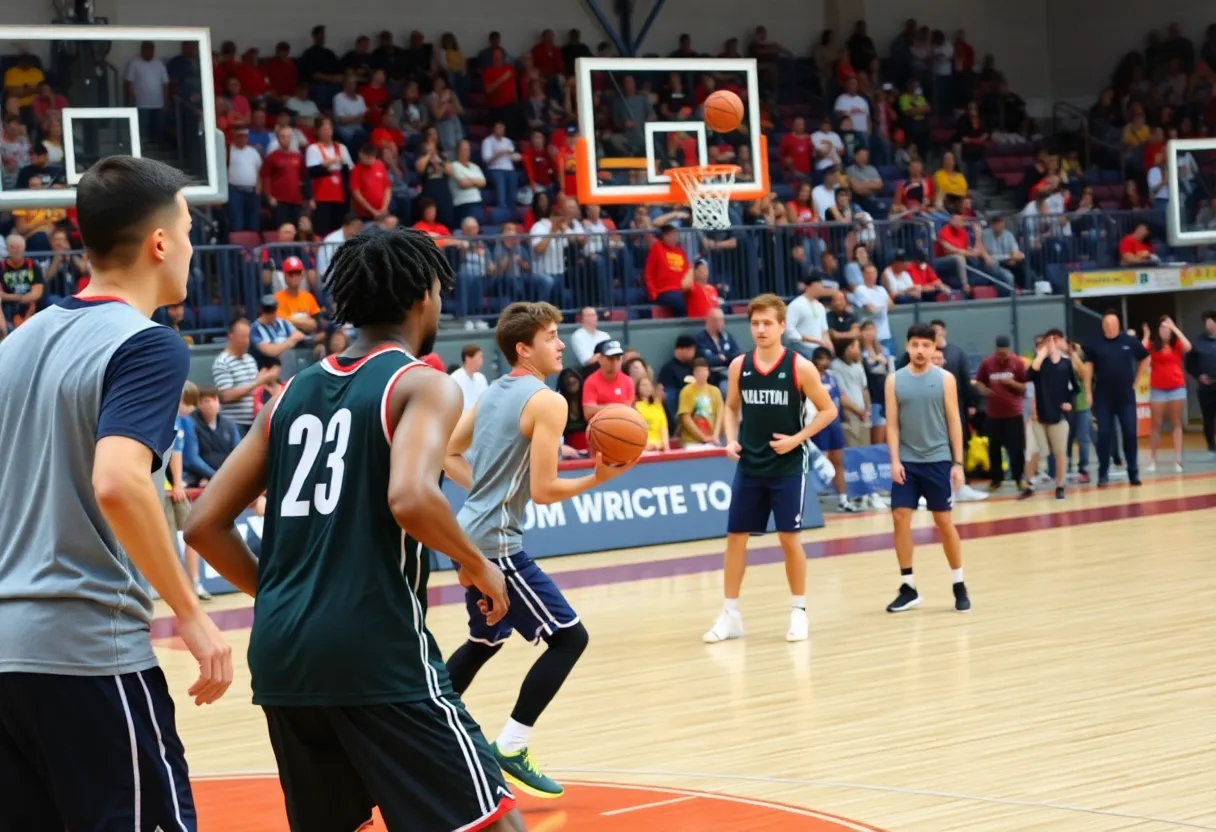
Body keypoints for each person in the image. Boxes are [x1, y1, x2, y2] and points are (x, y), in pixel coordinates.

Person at [183, 227, 525, 832]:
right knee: (489, 822)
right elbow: (412, 497)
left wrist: (286, 597)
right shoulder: (422, 383)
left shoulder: (289, 394)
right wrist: (478, 563)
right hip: (375, 651)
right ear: (423, 296)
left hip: (285, 655)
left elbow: (204, 523)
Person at [0, 156, 231, 830]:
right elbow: (119, 479)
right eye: (187, 228)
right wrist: (189, 612)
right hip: (88, 653)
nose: (190, 245)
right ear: (160, 242)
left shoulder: (19, 342)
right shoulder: (149, 345)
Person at [442, 301, 635, 799]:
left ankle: (429, 729)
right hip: (498, 546)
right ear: (523, 348)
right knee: (570, 639)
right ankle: (512, 745)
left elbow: (448, 452)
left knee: (486, 641)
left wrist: (482, 493)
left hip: (468, 535)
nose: (562, 344)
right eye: (552, 336)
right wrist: (597, 477)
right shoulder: (547, 401)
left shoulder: (490, 393)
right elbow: (546, 489)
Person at [703, 294, 838, 645]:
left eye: (767, 323)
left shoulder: (800, 367)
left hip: (788, 465)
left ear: (781, 326)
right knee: (735, 538)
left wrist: (797, 439)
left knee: (789, 539)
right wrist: (731, 440)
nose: (760, 329)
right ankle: (730, 614)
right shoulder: (739, 366)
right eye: (755, 323)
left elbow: (828, 411)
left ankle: (799, 611)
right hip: (751, 465)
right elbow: (731, 409)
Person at [885, 323, 971, 613]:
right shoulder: (894, 381)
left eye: (926, 345)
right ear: (908, 347)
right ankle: (908, 586)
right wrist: (894, 460)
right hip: (907, 461)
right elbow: (893, 424)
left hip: (937, 461)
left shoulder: (945, 379)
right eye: (915, 345)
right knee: (899, 517)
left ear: (935, 348)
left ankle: (958, 583)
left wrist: (958, 463)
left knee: (944, 523)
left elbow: (954, 421)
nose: (920, 350)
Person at [1085, 310, 1149, 487]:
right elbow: (1088, 369)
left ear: (1118, 325)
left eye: (1113, 324)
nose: (1110, 327)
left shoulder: (1129, 341)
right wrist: (1088, 392)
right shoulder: (1094, 344)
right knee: (1104, 435)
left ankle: (1133, 472)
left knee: (1129, 433)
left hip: (1125, 397)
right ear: (1103, 326)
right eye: (1107, 324)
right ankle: (1103, 472)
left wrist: (1137, 379)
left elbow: (1145, 358)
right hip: (1103, 397)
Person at [1026, 329, 1078, 499]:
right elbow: (1029, 374)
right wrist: (1040, 355)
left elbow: (1074, 388)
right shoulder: (1039, 364)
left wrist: (1069, 402)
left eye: (1052, 341)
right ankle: (1030, 483)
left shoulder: (1065, 364)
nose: (1049, 344)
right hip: (1039, 417)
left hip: (1058, 416)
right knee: (1034, 451)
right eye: (1046, 341)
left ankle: (1060, 485)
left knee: (1060, 452)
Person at [974, 335, 1027, 492]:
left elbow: (1025, 387)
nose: (1001, 357)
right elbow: (979, 382)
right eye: (999, 354)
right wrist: (983, 390)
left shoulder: (1017, 363)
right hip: (994, 416)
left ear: (1008, 351)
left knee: (1017, 449)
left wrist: (1012, 383)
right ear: (996, 350)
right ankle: (996, 480)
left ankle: (1019, 478)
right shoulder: (987, 363)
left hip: (1013, 414)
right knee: (994, 449)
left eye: (1004, 354)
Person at [1143, 315, 1192, 472]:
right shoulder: (1153, 345)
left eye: (1167, 327)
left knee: (1176, 423)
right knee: (1156, 425)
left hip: (1176, 388)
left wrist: (1175, 329)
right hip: (1158, 390)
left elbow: (1188, 347)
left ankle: (1178, 460)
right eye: (1163, 327)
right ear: (1158, 330)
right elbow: (1141, 350)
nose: (1165, 330)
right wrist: (1146, 335)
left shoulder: (1176, 344)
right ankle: (1153, 460)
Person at [811, 346, 854, 512]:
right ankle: (812, 500)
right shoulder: (811, 379)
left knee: (838, 461)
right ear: (816, 361)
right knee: (819, 462)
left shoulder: (832, 378)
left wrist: (856, 410)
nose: (827, 362)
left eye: (828, 359)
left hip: (834, 425)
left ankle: (843, 500)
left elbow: (842, 397)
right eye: (823, 359)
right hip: (819, 426)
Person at [1185, 310, 1216, 456]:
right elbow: (1189, 364)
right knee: (1208, 417)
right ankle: (1211, 445)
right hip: (1206, 386)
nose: (1207, 325)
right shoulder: (1197, 342)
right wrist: (1198, 376)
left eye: (1210, 321)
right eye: (1205, 322)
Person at [677, 358, 725, 448]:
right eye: (699, 371)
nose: (702, 374)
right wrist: (703, 438)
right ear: (694, 373)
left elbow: (720, 415)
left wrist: (715, 435)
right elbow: (686, 418)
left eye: (705, 370)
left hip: (712, 440)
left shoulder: (715, 391)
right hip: (692, 442)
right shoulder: (687, 391)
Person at [634, 375, 670, 452]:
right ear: (637, 388)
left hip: (659, 447)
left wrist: (666, 446)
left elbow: (663, 427)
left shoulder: (658, 405)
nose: (646, 387)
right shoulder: (635, 406)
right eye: (643, 385)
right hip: (644, 449)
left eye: (648, 385)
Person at [451, 343, 490, 411]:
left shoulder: (481, 378)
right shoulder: (455, 379)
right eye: (479, 357)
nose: (481, 360)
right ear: (468, 358)